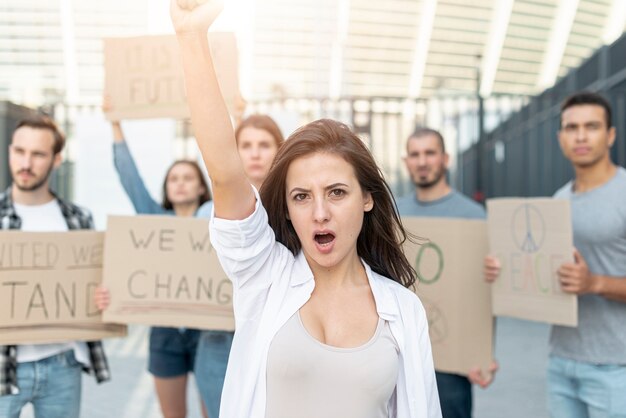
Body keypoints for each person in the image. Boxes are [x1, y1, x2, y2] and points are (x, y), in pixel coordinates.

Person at [170, 1, 441, 417]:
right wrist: (191, 37)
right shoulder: (265, 277)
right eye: (301, 196)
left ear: (366, 198)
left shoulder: (403, 311)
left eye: (336, 192)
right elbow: (225, 173)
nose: (319, 213)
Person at [485, 91, 626, 417]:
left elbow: (588, 281)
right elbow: (546, 274)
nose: (580, 135)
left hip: (616, 367)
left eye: (591, 126)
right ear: (561, 137)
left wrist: (595, 284)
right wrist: (505, 271)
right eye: (571, 127)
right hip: (562, 360)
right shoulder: (558, 200)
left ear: (611, 135)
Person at [95, 109, 213, 418]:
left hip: (210, 331)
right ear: (167, 188)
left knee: (214, 412)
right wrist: (116, 125)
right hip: (165, 333)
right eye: (174, 179)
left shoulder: (218, 223)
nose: (181, 184)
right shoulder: (154, 220)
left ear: (202, 187)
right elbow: (129, 177)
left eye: (188, 178)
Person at [0, 115, 110, 418]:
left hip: (63, 362)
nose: (26, 162)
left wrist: (104, 297)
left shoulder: (78, 219)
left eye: (38, 154)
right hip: (4, 363)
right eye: (19, 151)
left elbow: (97, 284)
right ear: (9, 152)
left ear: (57, 159)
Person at [396, 128, 497, 418]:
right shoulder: (394, 216)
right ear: (407, 161)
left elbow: (485, 293)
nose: (422, 161)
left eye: (430, 153)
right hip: (402, 353)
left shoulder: (475, 217)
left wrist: (483, 354)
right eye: (415, 154)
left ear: (445, 158)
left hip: (452, 362)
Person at [194, 114, 284, 417]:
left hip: (278, 342)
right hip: (218, 342)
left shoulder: (296, 208)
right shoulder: (207, 212)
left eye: (264, 144)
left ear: (279, 150)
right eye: (245, 145)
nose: (255, 153)